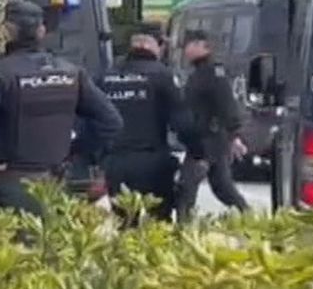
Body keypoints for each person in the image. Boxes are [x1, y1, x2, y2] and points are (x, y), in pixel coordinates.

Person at [0, 0, 123, 217]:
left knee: (19, 248)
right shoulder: (72, 73)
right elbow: (111, 122)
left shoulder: (1, 75)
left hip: (15, 184)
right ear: (42, 31)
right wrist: (74, 151)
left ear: (7, 31)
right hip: (61, 183)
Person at [100, 24, 188, 223]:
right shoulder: (163, 75)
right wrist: (199, 150)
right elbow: (182, 121)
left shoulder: (105, 76)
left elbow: (91, 119)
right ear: (156, 45)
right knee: (158, 221)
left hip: (115, 163)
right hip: (152, 163)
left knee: (124, 220)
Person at [176, 29, 249, 220]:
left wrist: (235, 135)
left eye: (190, 45)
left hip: (209, 140)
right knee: (221, 186)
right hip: (205, 139)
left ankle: (184, 226)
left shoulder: (213, 73)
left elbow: (226, 104)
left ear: (203, 46)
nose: (186, 50)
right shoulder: (199, 72)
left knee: (187, 186)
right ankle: (247, 215)